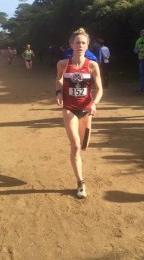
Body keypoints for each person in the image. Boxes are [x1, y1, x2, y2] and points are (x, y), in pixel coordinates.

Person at [55, 28, 103, 199]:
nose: (80, 45)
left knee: (84, 146)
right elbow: (59, 79)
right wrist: (59, 92)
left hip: (86, 109)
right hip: (69, 108)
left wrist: (94, 104)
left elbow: (99, 88)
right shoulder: (63, 64)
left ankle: (80, 153)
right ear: (71, 45)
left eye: (83, 43)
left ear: (88, 45)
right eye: (77, 42)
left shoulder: (92, 65)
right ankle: (80, 182)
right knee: (75, 146)